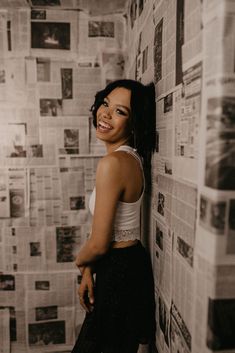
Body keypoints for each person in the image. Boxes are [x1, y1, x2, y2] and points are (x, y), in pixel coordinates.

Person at [72, 79, 156, 353]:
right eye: (106, 104)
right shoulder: (131, 158)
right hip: (127, 265)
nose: (105, 113)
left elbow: (98, 243)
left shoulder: (112, 164)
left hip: (119, 274)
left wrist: (80, 260)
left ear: (134, 124)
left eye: (120, 111)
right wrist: (88, 270)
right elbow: (107, 234)